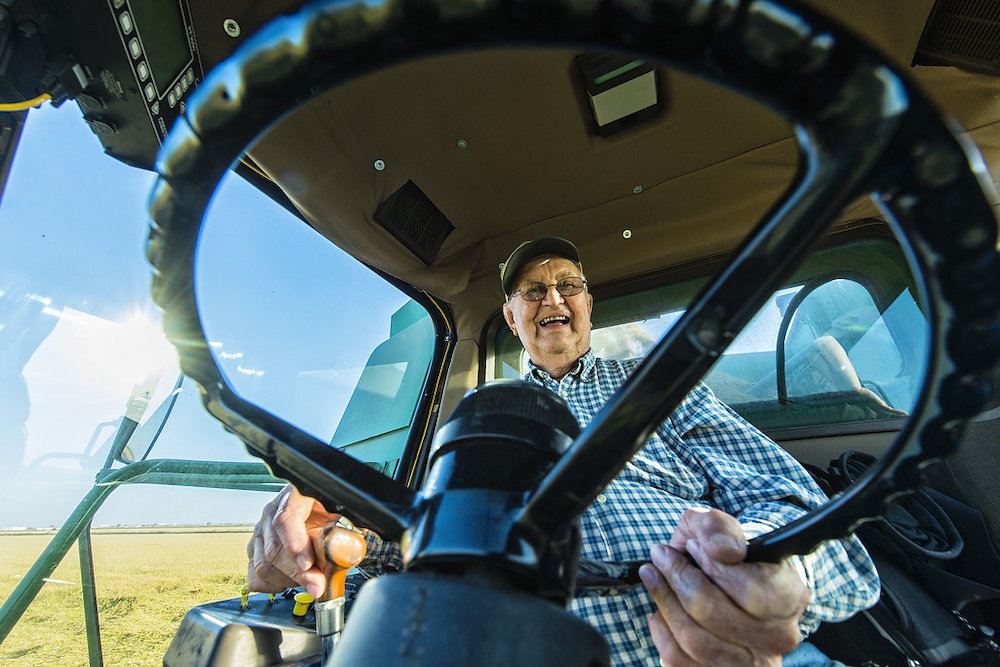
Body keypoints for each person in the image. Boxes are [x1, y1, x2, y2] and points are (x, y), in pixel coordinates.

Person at [248, 237, 880, 666]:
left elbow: (812, 522)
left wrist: (766, 571)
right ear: (511, 314)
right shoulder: (480, 414)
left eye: (566, 285)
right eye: (533, 291)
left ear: (587, 304)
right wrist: (329, 542)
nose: (552, 298)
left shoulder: (658, 385)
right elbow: (419, 543)